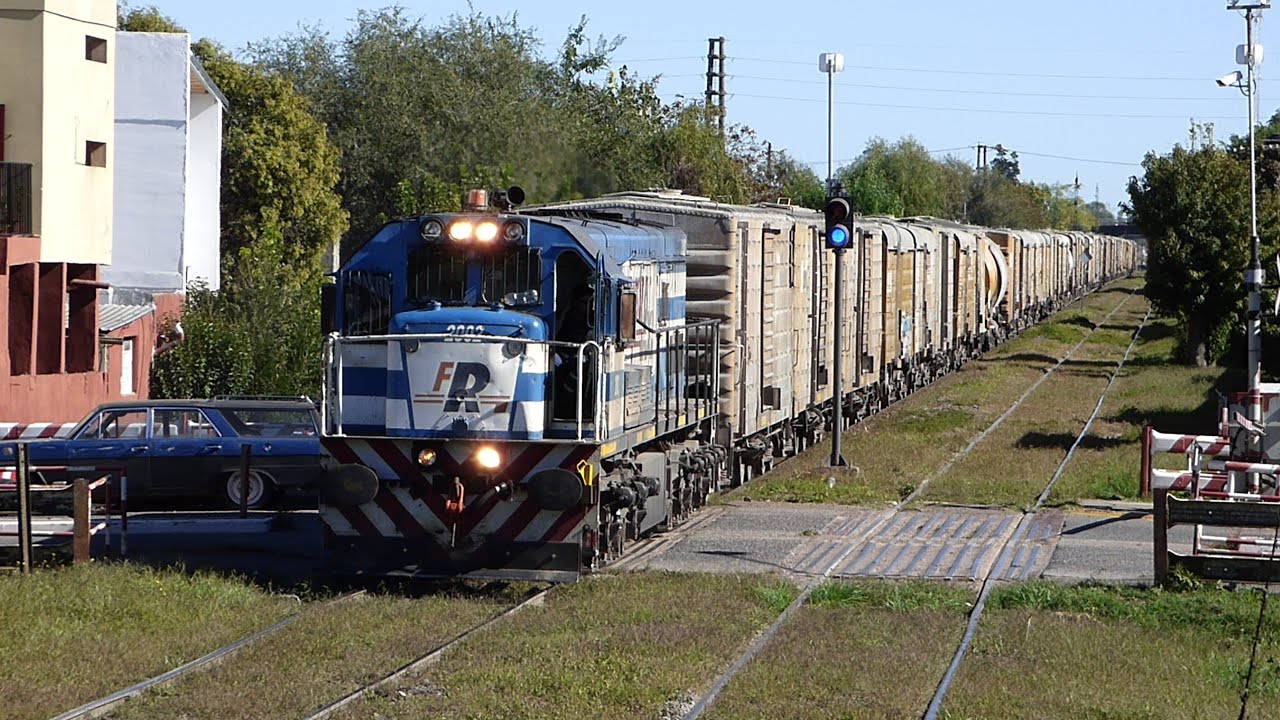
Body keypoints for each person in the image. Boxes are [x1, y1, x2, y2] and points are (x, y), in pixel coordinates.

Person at [554, 284, 594, 418]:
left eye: (588, 303)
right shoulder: (565, 317)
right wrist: (566, 311)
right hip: (561, 354)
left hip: (581, 356)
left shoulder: (592, 320)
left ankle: (569, 405)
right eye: (583, 302)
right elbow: (554, 334)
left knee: (580, 366)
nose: (585, 306)